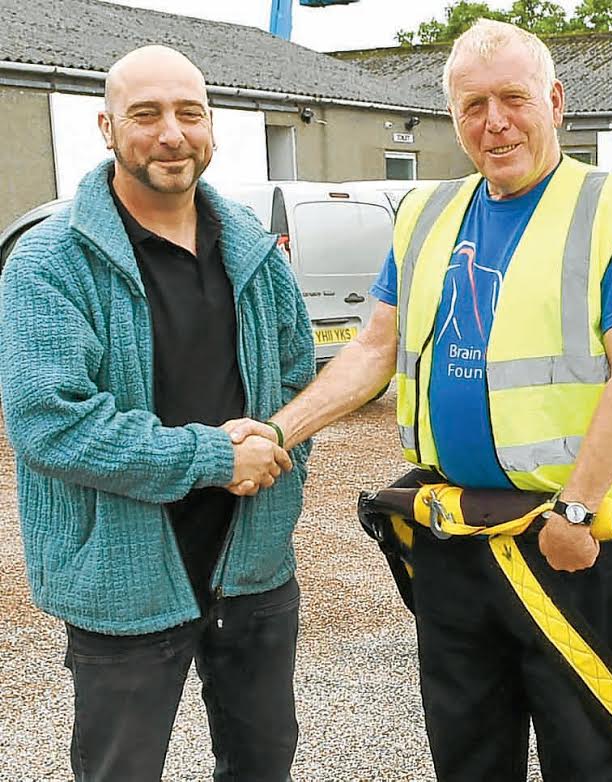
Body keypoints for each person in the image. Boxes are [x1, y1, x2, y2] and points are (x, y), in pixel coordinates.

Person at [227, 18, 612, 781]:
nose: (493, 121)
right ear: (454, 118)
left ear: (555, 101)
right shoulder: (425, 214)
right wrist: (277, 429)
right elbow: (372, 349)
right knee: (466, 749)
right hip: (451, 530)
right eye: (472, 105)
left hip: (565, 540)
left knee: (585, 754)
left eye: (512, 98)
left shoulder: (610, 207)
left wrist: (575, 511)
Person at [0, 46, 313, 781]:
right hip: (122, 574)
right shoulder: (49, 261)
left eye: (188, 113)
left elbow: (301, 386)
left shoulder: (253, 250)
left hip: (251, 565)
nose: (171, 133)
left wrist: (276, 458)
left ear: (211, 128)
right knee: (121, 768)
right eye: (146, 115)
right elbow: (50, 420)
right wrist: (215, 457)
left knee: (263, 760)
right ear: (107, 128)